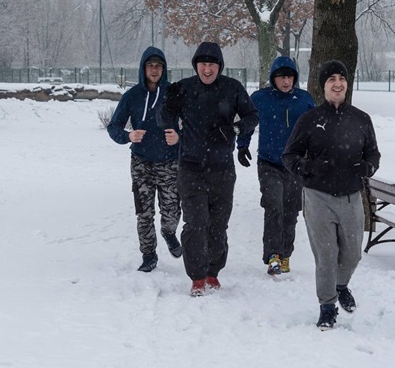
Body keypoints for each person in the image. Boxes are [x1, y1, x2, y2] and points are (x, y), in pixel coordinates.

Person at [282, 60, 380, 330]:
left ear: (347, 83)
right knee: (326, 255)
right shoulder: (310, 120)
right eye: (331, 79)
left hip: (350, 196)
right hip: (318, 196)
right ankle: (327, 306)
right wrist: (309, 167)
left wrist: (367, 166)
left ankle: (341, 285)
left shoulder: (361, 119)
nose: (338, 84)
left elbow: (373, 153)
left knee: (352, 255)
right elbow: (289, 156)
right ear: (323, 86)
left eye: (342, 78)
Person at [158, 41, 259, 296]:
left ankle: (213, 271)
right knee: (195, 222)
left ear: (219, 66)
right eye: (202, 64)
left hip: (223, 168)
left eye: (212, 64)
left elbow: (252, 117)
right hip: (191, 167)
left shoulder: (232, 88)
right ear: (196, 65)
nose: (207, 69)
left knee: (218, 223)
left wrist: (233, 129)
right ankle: (197, 276)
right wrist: (168, 109)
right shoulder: (183, 89)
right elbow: (164, 118)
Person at [236, 56, 315, 276]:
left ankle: (285, 254)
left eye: (289, 76)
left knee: (290, 211)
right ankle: (272, 256)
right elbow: (248, 122)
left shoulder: (304, 100)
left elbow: (316, 129)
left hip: (296, 164)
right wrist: (242, 146)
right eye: (281, 77)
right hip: (269, 163)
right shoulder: (261, 98)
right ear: (273, 78)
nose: (286, 81)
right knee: (273, 206)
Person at [107, 46, 182, 273]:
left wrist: (179, 137)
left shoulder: (174, 93)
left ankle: (169, 232)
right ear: (143, 68)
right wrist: (128, 135)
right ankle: (149, 254)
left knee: (171, 211)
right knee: (144, 213)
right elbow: (113, 126)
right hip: (141, 163)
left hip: (169, 161)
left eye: (158, 65)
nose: (154, 69)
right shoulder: (132, 96)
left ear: (164, 69)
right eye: (150, 65)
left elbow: (192, 124)